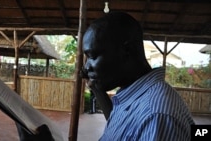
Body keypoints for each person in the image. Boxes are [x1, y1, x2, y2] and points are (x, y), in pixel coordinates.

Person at [16, 12, 195, 141]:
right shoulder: (137, 96)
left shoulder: (157, 116)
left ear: (126, 51)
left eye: (93, 56)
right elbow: (123, 128)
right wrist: (96, 87)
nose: (86, 67)